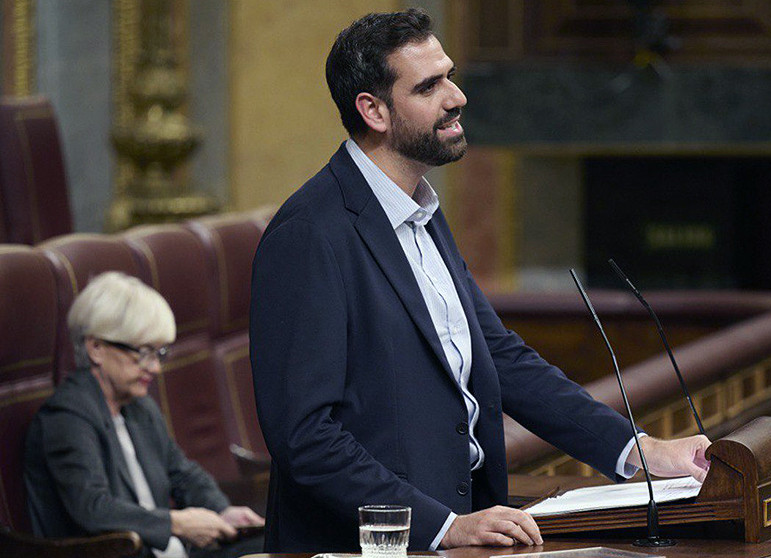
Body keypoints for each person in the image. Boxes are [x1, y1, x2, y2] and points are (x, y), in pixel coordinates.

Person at [249, 8, 710, 554]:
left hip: (464, 526)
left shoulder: (419, 207)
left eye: (450, 74)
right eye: (429, 86)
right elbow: (305, 439)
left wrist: (639, 450)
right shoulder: (309, 233)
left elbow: (498, 356)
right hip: (377, 545)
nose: (456, 96)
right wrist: (443, 527)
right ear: (373, 110)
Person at [24, 272, 264, 558]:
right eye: (143, 353)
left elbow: (182, 474)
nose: (155, 368)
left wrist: (222, 511)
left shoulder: (139, 407)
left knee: (274, 544)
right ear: (96, 348)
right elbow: (93, 509)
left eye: (159, 353)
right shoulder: (66, 417)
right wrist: (177, 523)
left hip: (168, 552)